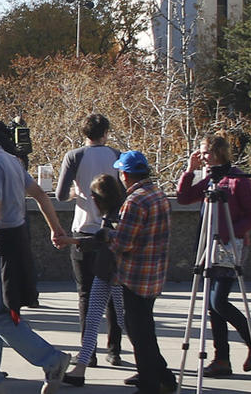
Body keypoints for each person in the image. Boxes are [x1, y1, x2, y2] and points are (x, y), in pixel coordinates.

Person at [0, 118, 71, 394]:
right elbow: (41, 195)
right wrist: (56, 229)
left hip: (0, 245)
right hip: (11, 240)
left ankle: (52, 359)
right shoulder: (11, 160)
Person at [176, 134, 251, 376]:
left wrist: (229, 233)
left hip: (230, 247)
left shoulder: (237, 180)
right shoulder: (210, 179)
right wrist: (189, 170)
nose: (202, 156)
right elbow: (184, 198)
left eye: (205, 152)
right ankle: (222, 359)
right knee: (211, 304)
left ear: (217, 152)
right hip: (208, 246)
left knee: (218, 301)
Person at [104, 151, 177, 394]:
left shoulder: (135, 201)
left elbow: (124, 242)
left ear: (125, 175)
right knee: (143, 327)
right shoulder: (158, 194)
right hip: (154, 272)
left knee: (139, 331)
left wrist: (108, 235)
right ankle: (161, 375)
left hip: (135, 275)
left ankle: (150, 383)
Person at [55, 113, 123, 368]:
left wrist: (76, 192)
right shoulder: (116, 155)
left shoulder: (74, 156)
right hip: (111, 230)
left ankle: (88, 351)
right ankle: (114, 350)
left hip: (83, 230)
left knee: (85, 294)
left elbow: (61, 195)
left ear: (84, 133)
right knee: (113, 291)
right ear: (105, 132)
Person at [58, 174, 128, 386]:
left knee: (125, 322)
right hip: (105, 274)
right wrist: (71, 241)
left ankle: (153, 368)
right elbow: (99, 241)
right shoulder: (112, 216)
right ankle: (80, 368)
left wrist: (72, 240)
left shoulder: (117, 217)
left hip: (114, 276)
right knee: (94, 320)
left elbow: (104, 241)